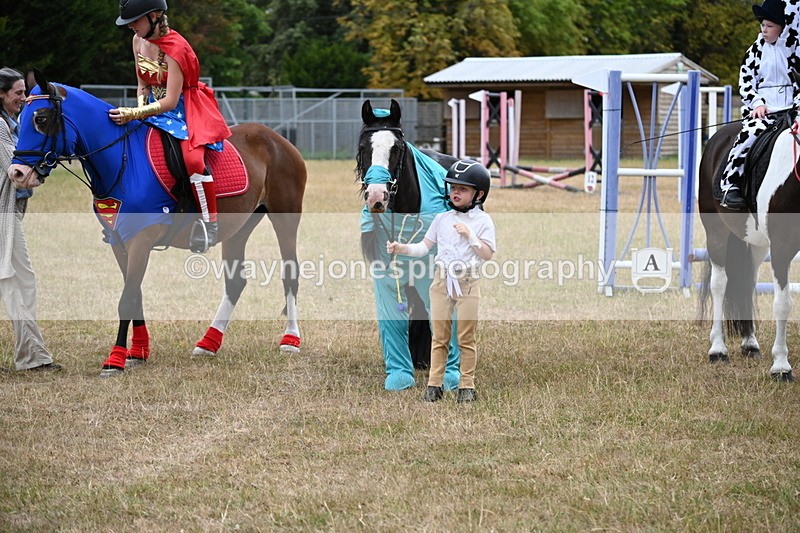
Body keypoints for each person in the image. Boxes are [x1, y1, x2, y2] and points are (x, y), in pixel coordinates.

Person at [109, 0, 231, 252]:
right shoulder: (137, 41)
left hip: (184, 110)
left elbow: (171, 100)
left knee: (193, 161)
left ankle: (209, 226)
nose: (131, 26)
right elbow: (142, 84)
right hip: (151, 105)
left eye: (135, 20)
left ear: (154, 16)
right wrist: (140, 109)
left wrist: (134, 113)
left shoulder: (176, 49)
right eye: (129, 22)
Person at [386, 160, 496, 403]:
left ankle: (467, 385)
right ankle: (434, 385)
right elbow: (424, 247)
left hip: (467, 282)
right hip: (441, 282)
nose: (455, 192)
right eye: (453, 187)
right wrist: (401, 248)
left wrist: (471, 237)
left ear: (478, 194)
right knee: (439, 335)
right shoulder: (442, 219)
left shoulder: (483, 222)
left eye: (463, 189)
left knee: (466, 337)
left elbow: (487, 254)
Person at [0, 67, 61, 372]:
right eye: (18, 93)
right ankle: (32, 357)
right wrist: (46, 164)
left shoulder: (11, 124)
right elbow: (20, 176)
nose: (24, 98)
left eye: (25, 92)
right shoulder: (0, 128)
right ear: (1, 94)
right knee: (20, 285)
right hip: (4, 219)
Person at [720, 0, 800, 210]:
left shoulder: (793, 51)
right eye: (762, 25)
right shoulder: (755, 50)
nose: (764, 30)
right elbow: (745, 80)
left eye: (770, 26)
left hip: (791, 109)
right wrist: (757, 103)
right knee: (747, 137)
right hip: (763, 112)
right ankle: (731, 184)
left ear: (782, 28)